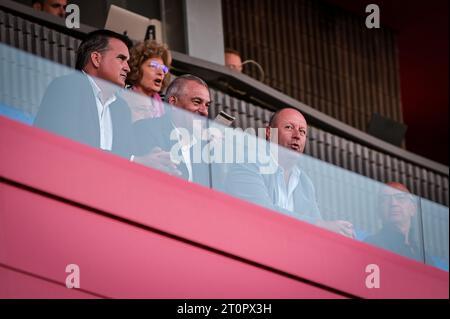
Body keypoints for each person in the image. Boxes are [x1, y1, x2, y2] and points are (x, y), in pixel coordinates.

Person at [225, 107, 355, 238]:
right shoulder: (248, 163)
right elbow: (260, 212)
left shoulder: (305, 183)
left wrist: (341, 232)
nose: (297, 136)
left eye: (302, 132)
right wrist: (321, 225)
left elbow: (318, 233)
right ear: (270, 133)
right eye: (288, 127)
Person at [34, 29, 135, 159]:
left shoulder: (122, 109)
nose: (127, 68)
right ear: (96, 59)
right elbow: (65, 147)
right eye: (121, 58)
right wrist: (132, 160)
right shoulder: (66, 87)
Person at [132, 74, 211, 185]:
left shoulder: (204, 148)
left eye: (207, 105)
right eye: (197, 102)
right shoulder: (146, 129)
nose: (205, 111)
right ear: (173, 103)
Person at [364, 182, 424, 262]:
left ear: (413, 208)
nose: (393, 204)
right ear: (378, 211)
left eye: (400, 198)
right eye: (385, 199)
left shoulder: (423, 257)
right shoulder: (371, 245)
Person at [125, 40, 172, 121]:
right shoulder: (122, 98)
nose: (161, 72)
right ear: (137, 68)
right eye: (153, 66)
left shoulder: (166, 106)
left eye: (163, 69)